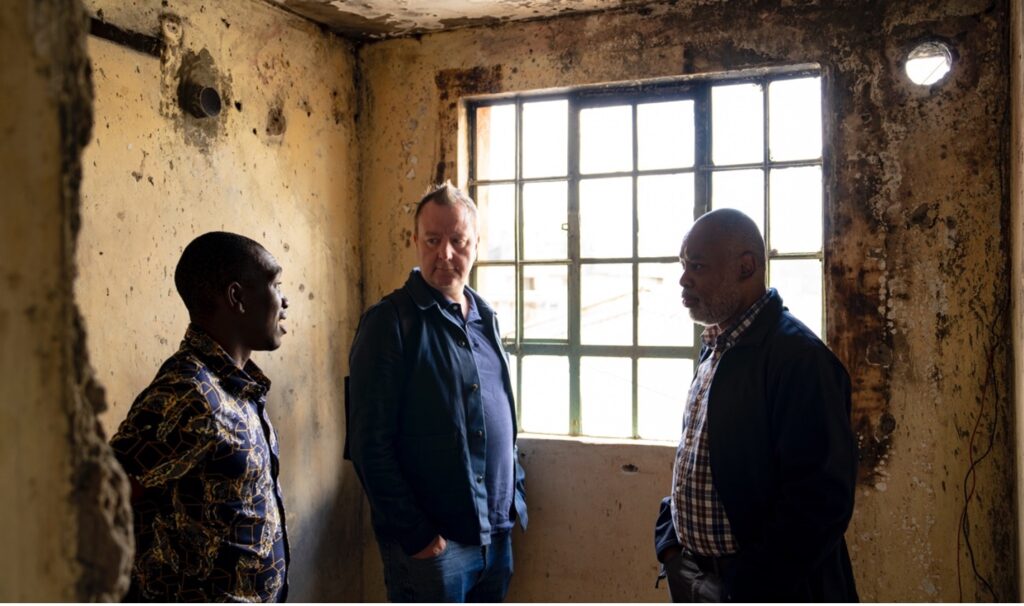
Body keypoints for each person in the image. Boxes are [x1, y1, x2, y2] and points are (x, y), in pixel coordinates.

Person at [653, 208, 859, 602]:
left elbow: (820, 504)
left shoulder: (799, 358)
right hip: (700, 580)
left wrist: (740, 588)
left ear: (746, 267)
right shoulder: (716, 346)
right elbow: (699, 463)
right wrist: (672, 549)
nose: (683, 279)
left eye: (697, 265)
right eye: (683, 265)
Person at [347, 182, 527, 602]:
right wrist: (418, 536)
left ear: (476, 245)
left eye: (458, 241)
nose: (445, 253)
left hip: (496, 533)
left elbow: (496, 414)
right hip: (434, 547)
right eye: (432, 240)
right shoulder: (388, 323)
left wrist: (513, 493)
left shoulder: (486, 318)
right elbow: (367, 444)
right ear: (415, 242)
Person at [110, 232, 291, 602]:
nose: (284, 300)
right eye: (274, 283)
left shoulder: (238, 388)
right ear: (237, 298)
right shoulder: (187, 393)